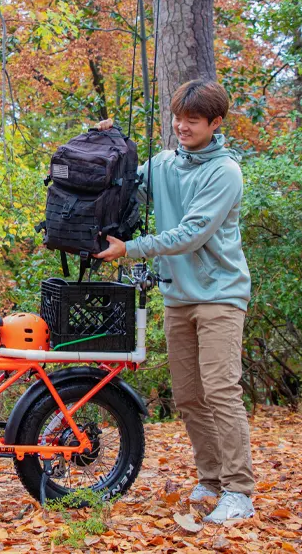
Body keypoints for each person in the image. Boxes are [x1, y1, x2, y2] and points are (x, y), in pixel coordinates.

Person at [94, 79, 255, 523]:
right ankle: (210, 479)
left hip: (220, 295)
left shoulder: (225, 172)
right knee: (188, 396)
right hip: (178, 297)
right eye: (178, 117)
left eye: (193, 120)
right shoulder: (163, 163)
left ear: (215, 123)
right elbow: (126, 189)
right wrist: (106, 146)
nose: (182, 126)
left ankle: (240, 491)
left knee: (221, 391)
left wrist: (130, 249)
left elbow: (191, 235)